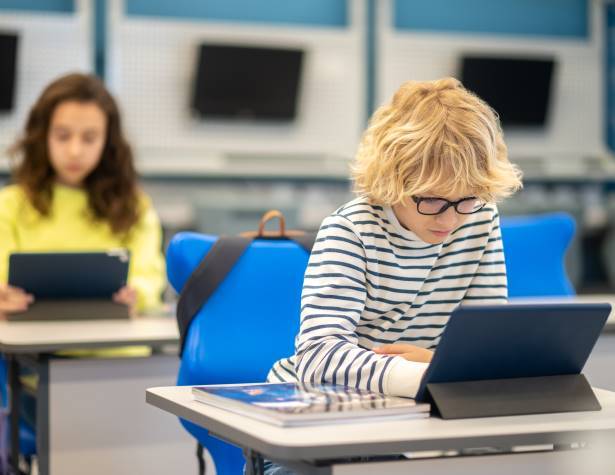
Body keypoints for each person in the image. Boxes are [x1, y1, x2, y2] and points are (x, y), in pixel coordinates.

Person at [262, 77, 522, 474]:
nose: (450, 219)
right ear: (393, 180)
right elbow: (319, 357)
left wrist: (435, 367)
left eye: (466, 198)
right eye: (432, 199)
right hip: (313, 417)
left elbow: (484, 348)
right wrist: (428, 374)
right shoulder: (350, 230)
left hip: (409, 416)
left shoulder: (480, 218)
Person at [0, 72, 165, 319]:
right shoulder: (9, 205)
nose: (75, 151)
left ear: (107, 142)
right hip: (26, 339)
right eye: (63, 136)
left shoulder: (135, 207)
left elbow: (149, 279)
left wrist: (136, 295)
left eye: (89, 138)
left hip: (114, 340)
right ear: (42, 136)